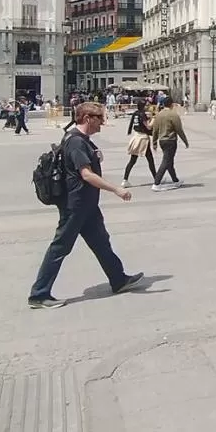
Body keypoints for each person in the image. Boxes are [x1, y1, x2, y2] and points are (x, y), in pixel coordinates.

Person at [28, 102, 141, 309]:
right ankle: (39, 294)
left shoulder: (81, 140)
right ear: (88, 118)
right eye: (100, 118)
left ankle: (118, 279)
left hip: (87, 205)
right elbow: (86, 174)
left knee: (101, 242)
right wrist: (116, 189)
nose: (102, 123)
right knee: (60, 247)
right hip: (75, 206)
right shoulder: (76, 142)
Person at [150, 94, 189, 191]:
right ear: (172, 104)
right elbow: (179, 129)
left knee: (169, 161)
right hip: (170, 140)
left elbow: (155, 129)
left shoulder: (159, 114)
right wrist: (185, 141)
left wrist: (154, 142)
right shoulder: (173, 115)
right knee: (166, 161)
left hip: (162, 140)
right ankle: (157, 182)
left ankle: (175, 180)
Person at [122, 99, 157, 187]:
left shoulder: (136, 113)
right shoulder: (142, 114)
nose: (147, 106)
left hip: (136, 136)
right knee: (150, 159)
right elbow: (148, 127)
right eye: (146, 105)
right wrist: (153, 119)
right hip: (143, 138)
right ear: (143, 106)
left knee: (133, 160)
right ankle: (156, 179)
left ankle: (125, 179)